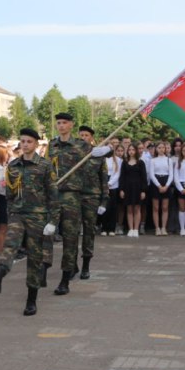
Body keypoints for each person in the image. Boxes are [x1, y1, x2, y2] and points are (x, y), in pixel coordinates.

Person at [0, 128, 59, 316]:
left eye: (29, 142)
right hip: (17, 214)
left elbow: (53, 196)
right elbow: (9, 194)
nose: (25, 145)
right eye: (23, 141)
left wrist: (53, 221)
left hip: (38, 216)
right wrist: (10, 212)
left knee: (34, 257)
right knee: (10, 246)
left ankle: (31, 300)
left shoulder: (45, 166)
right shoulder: (14, 165)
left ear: (35, 144)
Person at [45, 112, 91, 296]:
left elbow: (93, 166)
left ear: (71, 125)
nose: (61, 126)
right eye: (58, 123)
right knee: (46, 235)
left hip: (72, 197)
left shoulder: (82, 146)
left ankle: (65, 278)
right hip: (54, 196)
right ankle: (42, 269)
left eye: (64, 123)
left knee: (70, 238)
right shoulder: (52, 145)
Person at [77, 126, 108, 278]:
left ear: (91, 138)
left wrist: (104, 201)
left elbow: (104, 180)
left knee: (89, 232)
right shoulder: (73, 154)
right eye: (81, 135)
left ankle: (86, 265)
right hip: (74, 197)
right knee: (72, 233)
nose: (83, 137)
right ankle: (71, 265)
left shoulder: (98, 155)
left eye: (86, 135)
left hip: (91, 197)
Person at [119, 143, 147, 238]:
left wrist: (143, 190)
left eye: (133, 150)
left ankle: (136, 229)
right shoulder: (125, 162)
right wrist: (121, 189)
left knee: (137, 208)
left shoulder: (141, 162)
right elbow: (122, 177)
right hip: (127, 188)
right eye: (129, 149)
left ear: (136, 151)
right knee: (129, 209)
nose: (131, 151)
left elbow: (144, 177)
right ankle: (130, 229)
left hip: (138, 188)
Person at [147, 141, 172, 237]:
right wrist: (158, 185)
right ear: (156, 149)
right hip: (156, 183)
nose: (161, 149)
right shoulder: (153, 160)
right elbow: (151, 174)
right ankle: (157, 228)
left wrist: (166, 186)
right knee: (156, 207)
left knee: (165, 207)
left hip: (166, 182)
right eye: (159, 148)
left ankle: (163, 228)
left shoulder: (168, 160)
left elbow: (171, 174)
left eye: (163, 147)